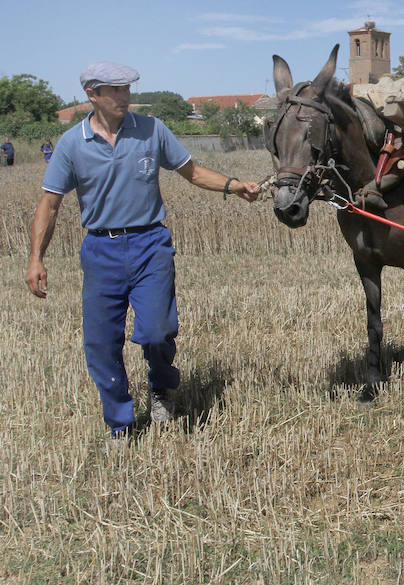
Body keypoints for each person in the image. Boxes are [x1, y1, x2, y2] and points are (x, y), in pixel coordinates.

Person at [25, 61, 260, 440]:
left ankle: (162, 386)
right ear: (92, 94)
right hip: (101, 248)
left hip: (151, 244)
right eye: (114, 90)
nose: (124, 97)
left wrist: (234, 185)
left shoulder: (152, 130)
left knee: (157, 331)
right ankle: (121, 424)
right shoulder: (71, 143)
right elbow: (49, 204)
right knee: (102, 344)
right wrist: (36, 258)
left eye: (127, 89)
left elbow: (194, 172)